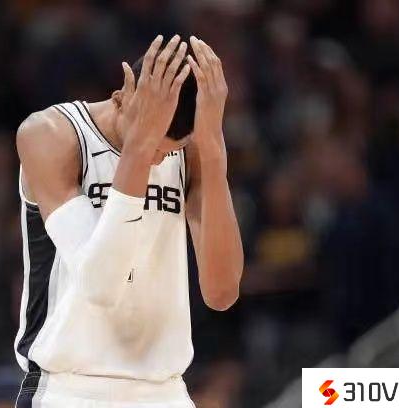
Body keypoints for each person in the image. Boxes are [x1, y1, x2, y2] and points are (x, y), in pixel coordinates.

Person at [13, 34, 244, 407]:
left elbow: (222, 293)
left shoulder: (191, 152)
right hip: (69, 388)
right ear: (123, 93)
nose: (155, 159)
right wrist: (141, 142)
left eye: (166, 150)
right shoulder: (50, 134)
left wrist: (214, 151)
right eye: (151, 145)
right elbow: (102, 285)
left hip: (165, 390)